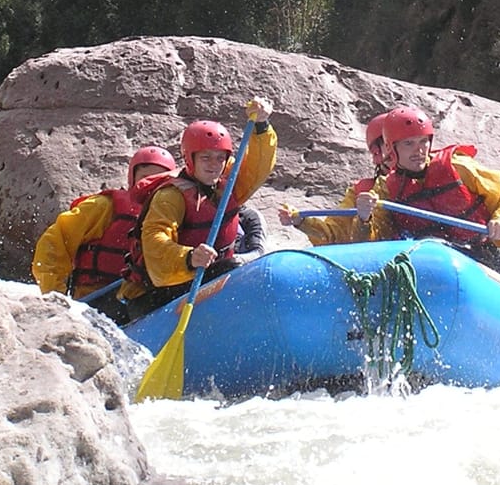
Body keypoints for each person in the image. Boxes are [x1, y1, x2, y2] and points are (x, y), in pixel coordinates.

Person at [121, 97, 277, 316]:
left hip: (205, 278)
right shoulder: (170, 196)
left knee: (236, 269)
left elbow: (257, 168)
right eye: (206, 158)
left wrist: (261, 126)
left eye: (219, 158)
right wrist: (189, 257)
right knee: (231, 269)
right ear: (190, 159)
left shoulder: (226, 184)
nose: (214, 165)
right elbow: (156, 242)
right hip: (155, 294)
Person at [356, 106, 500, 275]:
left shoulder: (458, 166)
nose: (419, 150)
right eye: (409, 143)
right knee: (429, 247)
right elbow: (374, 241)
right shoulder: (385, 189)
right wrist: (364, 219)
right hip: (430, 263)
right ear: (391, 147)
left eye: (423, 141)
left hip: (481, 258)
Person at [31, 145, 177, 324]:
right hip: (95, 302)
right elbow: (53, 244)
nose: (152, 185)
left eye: (160, 180)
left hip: (141, 300)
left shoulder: (172, 213)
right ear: (132, 178)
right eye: (146, 178)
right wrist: (55, 295)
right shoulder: (103, 207)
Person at [276, 112, 397, 244]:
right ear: (377, 153)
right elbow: (332, 236)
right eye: (390, 144)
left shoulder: (423, 179)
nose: (407, 151)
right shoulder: (363, 192)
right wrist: (302, 221)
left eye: (414, 143)